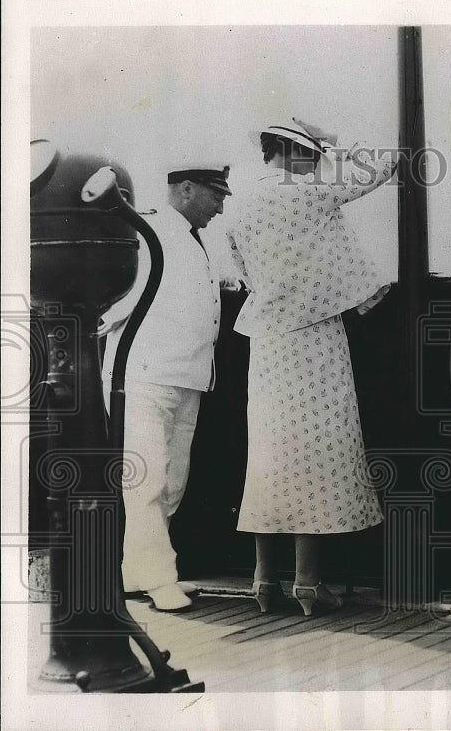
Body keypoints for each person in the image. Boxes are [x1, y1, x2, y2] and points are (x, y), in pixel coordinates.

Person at [227, 118, 395, 616]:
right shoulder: (313, 192)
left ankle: (263, 580)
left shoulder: (240, 205)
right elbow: (384, 165)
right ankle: (306, 582)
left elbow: (242, 273)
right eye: (313, 154)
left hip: (267, 340)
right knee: (316, 454)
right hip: (317, 335)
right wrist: (334, 136)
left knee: (269, 457)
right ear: (296, 151)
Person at [100, 164, 231, 612]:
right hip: (144, 374)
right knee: (147, 479)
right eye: (216, 194)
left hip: (186, 375)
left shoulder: (192, 238)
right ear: (187, 189)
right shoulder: (151, 231)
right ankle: (158, 578)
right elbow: (115, 296)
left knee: (172, 480)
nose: (221, 204)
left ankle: (137, 572)